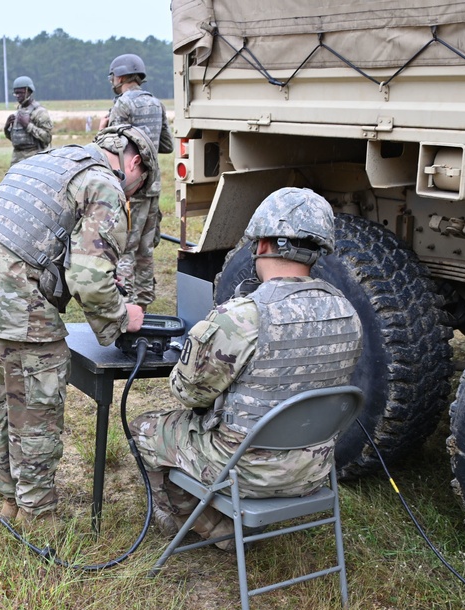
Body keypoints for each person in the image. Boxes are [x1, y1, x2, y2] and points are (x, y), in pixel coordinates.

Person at [0, 125, 159, 528]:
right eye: (137, 188)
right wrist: (123, 317)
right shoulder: (104, 184)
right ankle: (38, 518)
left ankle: (10, 501)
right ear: (135, 164)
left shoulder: (50, 160)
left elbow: (48, 241)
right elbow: (90, 280)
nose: (131, 196)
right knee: (34, 408)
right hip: (9, 295)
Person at [129, 187, 363, 547]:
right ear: (318, 249)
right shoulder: (347, 312)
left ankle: (208, 526)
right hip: (313, 469)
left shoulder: (243, 316)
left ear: (263, 245)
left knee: (147, 427)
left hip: (245, 470)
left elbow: (186, 393)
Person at [99, 54, 174, 310]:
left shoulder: (122, 105)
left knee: (126, 248)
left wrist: (102, 130)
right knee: (146, 249)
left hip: (131, 187)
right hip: (152, 187)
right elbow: (167, 145)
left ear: (119, 77)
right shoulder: (156, 103)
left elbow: (112, 148)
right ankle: (143, 303)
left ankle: (125, 303)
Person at [3, 76, 53, 166]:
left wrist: (28, 125)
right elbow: (17, 139)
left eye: (21, 93)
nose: (18, 96)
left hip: (35, 157)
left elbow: (47, 138)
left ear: (29, 91)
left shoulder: (39, 112)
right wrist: (7, 128)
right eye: (16, 93)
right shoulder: (18, 111)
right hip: (16, 158)